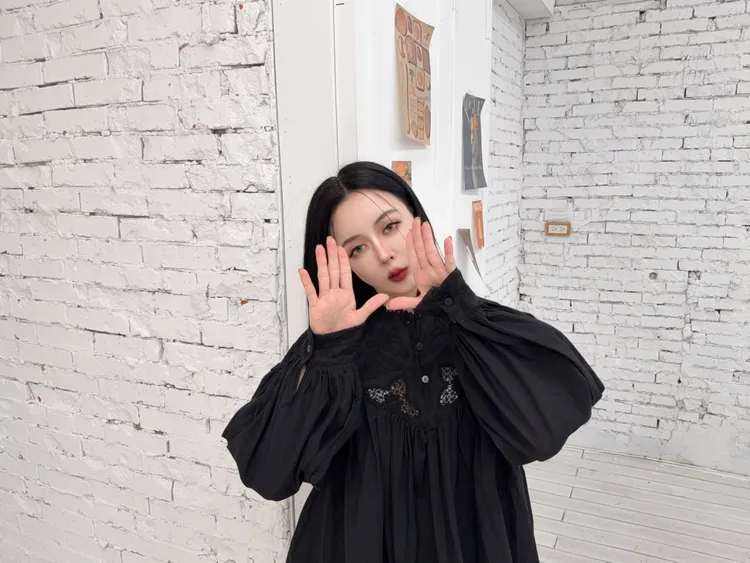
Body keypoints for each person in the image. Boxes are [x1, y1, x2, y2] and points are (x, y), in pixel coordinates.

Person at [222, 161, 604, 563]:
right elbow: (269, 474)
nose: (384, 254)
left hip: (477, 537)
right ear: (343, 263)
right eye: (357, 248)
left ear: (416, 218)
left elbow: (545, 428)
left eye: (390, 227)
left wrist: (460, 309)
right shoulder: (332, 354)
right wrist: (327, 350)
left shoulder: (477, 328)